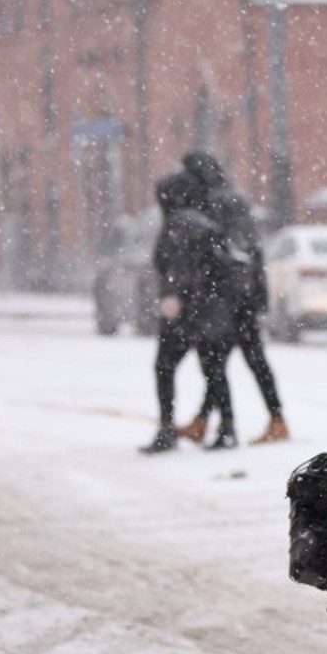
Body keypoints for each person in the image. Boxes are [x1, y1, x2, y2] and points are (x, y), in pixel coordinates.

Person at [172, 151, 290, 446]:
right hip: (243, 295)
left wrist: (209, 292)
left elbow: (224, 253)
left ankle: (229, 426)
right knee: (244, 359)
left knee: (217, 362)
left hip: (225, 297)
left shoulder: (211, 202)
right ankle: (268, 419)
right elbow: (252, 250)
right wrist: (257, 295)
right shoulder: (233, 199)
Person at [139, 170, 238, 454]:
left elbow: (172, 266)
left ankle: (166, 428)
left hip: (183, 311)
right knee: (214, 370)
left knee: (164, 367)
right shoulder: (208, 224)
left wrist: (174, 296)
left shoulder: (174, 225)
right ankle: (227, 428)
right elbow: (223, 266)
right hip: (212, 310)